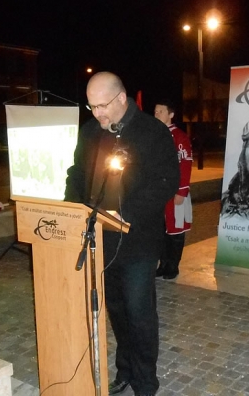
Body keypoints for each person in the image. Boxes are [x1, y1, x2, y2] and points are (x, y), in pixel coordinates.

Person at [64, 72, 180, 396]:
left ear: (120, 98)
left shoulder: (152, 132)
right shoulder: (90, 132)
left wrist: (125, 213)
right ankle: (125, 369)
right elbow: (77, 174)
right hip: (101, 239)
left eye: (102, 106)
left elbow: (165, 182)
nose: (97, 113)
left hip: (138, 240)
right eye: (92, 107)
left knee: (139, 312)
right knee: (116, 309)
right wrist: (71, 208)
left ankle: (145, 382)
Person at [153, 99, 193, 280]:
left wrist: (181, 191)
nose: (157, 114)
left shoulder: (179, 137)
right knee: (160, 230)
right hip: (158, 193)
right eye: (155, 111)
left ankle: (173, 266)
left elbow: (185, 164)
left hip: (174, 192)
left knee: (175, 229)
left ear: (171, 114)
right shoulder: (153, 135)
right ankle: (163, 264)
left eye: (160, 111)